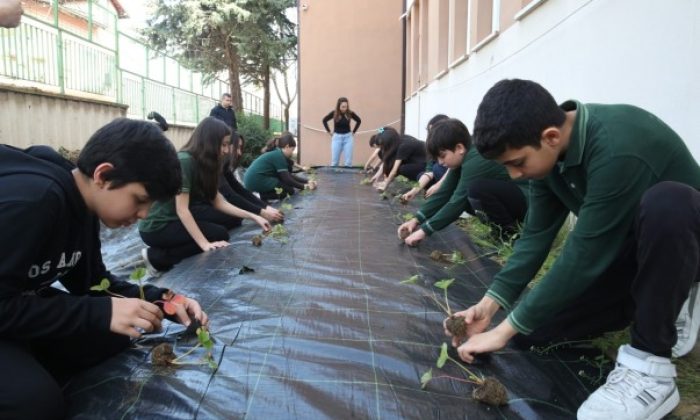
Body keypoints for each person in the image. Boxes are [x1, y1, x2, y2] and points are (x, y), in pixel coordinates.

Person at [447, 79, 700, 420]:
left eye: (518, 163)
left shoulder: (617, 145)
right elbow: (536, 236)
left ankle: (651, 364)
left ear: (550, 137)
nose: (515, 176)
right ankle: (657, 300)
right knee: (535, 331)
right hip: (628, 250)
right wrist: (490, 307)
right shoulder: (549, 160)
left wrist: (504, 331)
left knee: (667, 202)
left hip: (684, 243)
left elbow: (584, 255)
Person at [0, 119, 209, 418]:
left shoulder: (83, 210)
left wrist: (163, 300)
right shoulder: (36, 200)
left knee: (117, 332)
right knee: (35, 403)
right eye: (140, 200)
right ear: (104, 175)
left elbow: (93, 282)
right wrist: (99, 312)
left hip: (11, 307)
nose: (144, 214)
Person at [139, 117, 270, 275]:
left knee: (223, 228)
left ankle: (165, 250)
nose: (227, 150)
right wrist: (204, 244)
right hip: (157, 226)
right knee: (217, 235)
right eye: (224, 144)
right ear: (209, 141)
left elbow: (219, 202)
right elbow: (182, 210)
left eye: (228, 145)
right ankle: (157, 258)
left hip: (175, 220)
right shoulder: (185, 161)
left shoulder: (207, 164)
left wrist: (254, 216)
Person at [398, 118, 528, 246]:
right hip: (510, 198)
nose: (440, 162)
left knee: (475, 190)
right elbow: (444, 192)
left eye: (442, 156)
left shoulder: (476, 159)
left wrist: (424, 231)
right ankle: (498, 231)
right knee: (469, 193)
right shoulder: (464, 156)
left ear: (459, 147)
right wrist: (416, 219)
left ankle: (510, 233)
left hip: (528, 201)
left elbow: (457, 202)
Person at [219, 132, 284, 223]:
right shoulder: (277, 154)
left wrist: (266, 207)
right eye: (237, 147)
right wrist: (261, 213)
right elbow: (231, 195)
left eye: (240, 148)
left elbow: (240, 190)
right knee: (233, 218)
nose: (239, 153)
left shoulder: (224, 166)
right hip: (200, 209)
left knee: (236, 216)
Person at [244, 133, 316, 200]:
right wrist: (304, 186)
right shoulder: (278, 156)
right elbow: (287, 179)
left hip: (253, 180)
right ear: (287, 146)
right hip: (256, 180)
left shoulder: (278, 153)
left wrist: (307, 181)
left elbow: (289, 176)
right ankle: (258, 196)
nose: (292, 152)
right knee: (289, 191)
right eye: (292, 150)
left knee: (287, 187)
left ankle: (260, 194)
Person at [401, 114, 451, 203]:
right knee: (423, 175)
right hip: (443, 175)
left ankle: (448, 196)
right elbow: (429, 171)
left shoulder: (452, 142)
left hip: (455, 177)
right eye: (429, 132)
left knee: (437, 167)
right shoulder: (432, 145)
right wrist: (414, 191)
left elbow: (453, 169)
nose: (431, 135)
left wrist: (438, 185)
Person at [374, 127, 426, 192]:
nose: (381, 148)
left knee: (402, 168)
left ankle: (420, 184)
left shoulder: (404, 146)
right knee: (395, 164)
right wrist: (378, 177)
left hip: (427, 164)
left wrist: (385, 185)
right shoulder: (398, 139)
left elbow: (394, 170)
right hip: (418, 161)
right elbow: (386, 163)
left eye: (383, 145)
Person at [322, 97, 361, 167]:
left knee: (348, 163)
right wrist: (329, 131)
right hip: (337, 138)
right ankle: (334, 177)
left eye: (346, 106)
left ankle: (348, 177)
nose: (344, 108)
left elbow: (359, 121)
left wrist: (354, 132)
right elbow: (324, 120)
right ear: (338, 106)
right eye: (343, 107)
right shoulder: (334, 113)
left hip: (348, 138)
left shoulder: (350, 113)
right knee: (334, 162)